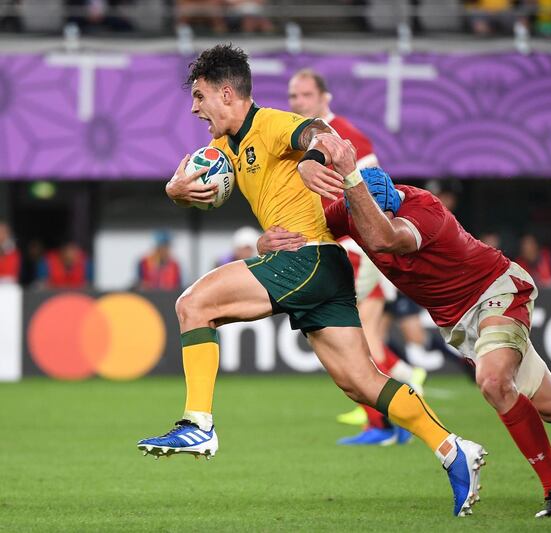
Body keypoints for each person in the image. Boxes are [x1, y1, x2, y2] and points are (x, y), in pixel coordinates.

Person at [135, 44, 485, 518]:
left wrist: (311, 157)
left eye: (199, 97)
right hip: (323, 264)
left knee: (193, 305)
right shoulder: (223, 149)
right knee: (362, 383)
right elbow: (193, 184)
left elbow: (323, 134)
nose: (194, 108)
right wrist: (174, 190)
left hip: (309, 259)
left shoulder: (273, 124)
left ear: (226, 93)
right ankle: (452, 449)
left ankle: (198, 422)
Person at [258, 145, 551, 518]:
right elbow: (305, 236)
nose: (363, 227)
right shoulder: (352, 208)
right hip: (456, 321)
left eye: (373, 216)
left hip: (495, 290)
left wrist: (358, 206)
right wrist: (269, 242)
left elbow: (385, 238)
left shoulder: (424, 211)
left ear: (391, 204)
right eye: (360, 217)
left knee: (493, 382)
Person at [287, 68, 426, 443]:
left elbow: (378, 192)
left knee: (341, 338)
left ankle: (383, 422)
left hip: (351, 251)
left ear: (324, 98)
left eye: (304, 95)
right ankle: (405, 392)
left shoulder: (344, 136)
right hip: (345, 249)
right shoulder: (300, 139)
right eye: (293, 96)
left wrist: (372, 242)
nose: (297, 102)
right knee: (368, 342)